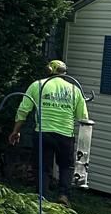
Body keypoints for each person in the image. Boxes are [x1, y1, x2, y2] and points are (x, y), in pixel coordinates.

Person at [8, 59, 89, 202]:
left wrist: (16, 131)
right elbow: (83, 118)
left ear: (49, 71)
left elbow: (23, 111)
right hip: (65, 134)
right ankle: (63, 195)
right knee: (66, 166)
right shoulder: (74, 90)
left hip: (43, 133)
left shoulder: (37, 85)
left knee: (42, 167)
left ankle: (41, 197)